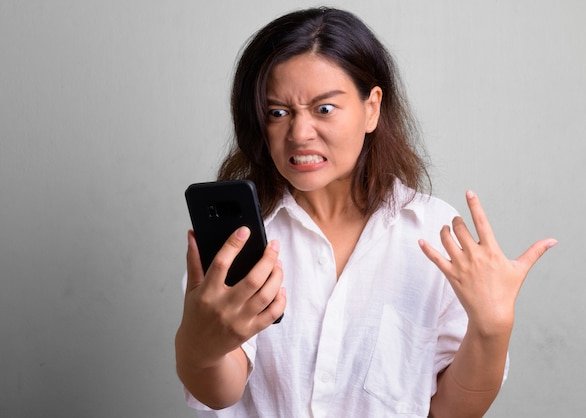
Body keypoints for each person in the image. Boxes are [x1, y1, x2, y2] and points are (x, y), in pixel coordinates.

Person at [175, 7, 557, 418]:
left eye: (324, 109)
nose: (299, 133)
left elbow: (451, 411)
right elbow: (221, 392)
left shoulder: (433, 234)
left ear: (371, 108)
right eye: (278, 112)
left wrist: (492, 328)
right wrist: (198, 347)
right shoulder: (243, 239)